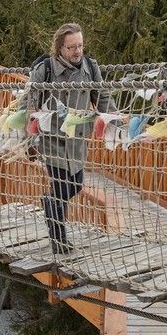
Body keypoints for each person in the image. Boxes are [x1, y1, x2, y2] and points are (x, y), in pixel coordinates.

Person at [27, 23, 114, 254]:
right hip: (52, 138)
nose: (77, 51)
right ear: (60, 48)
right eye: (72, 47)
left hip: (77, 139)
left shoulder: (90, 67)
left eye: (80, 46)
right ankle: (59, 240)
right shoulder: (45, 69)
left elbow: (101, 95)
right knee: (62, 185)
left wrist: (113, 119)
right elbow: (31, 103)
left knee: (74, 185)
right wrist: (30, 138)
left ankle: (49, 202)